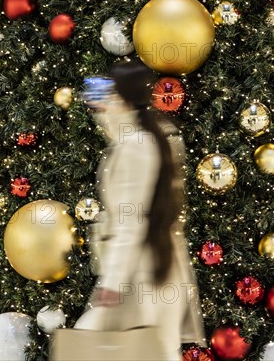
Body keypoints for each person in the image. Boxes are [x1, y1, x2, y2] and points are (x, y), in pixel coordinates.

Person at [75, 60, 206, 358]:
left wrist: (113, 283)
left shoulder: (137, 144)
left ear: (121, 97)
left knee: (100, 346)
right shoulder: (147, 135)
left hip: (141, 273)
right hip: (151, 269)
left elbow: (131, 220)